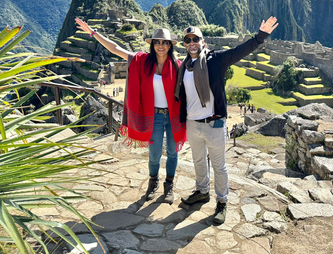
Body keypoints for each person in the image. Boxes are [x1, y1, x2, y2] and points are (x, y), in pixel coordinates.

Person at [174, 16, 278, 224]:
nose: (192, 42)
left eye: (196, 39)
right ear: (184, 44)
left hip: (214, 123)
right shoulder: (184, 66)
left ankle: (222, 202)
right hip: (193, 123)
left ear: (202, 42)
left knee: (219, 166)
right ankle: (202, 192)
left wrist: (260, 37)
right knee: (198, 161)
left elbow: (239, 51)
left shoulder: (215, 60)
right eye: (188, 40)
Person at [75, 18, 186, 204]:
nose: (161, 45)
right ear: (152, 45)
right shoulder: (142, 61)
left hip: (173, 116)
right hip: (155, 116)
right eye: (157, 42)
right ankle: (153, 182)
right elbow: (115, 49)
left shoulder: (177, 66)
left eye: (164, 42)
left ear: (169, 45)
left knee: (174, 153)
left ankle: (169, 186)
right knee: (154, 154)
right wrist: (93, 33)